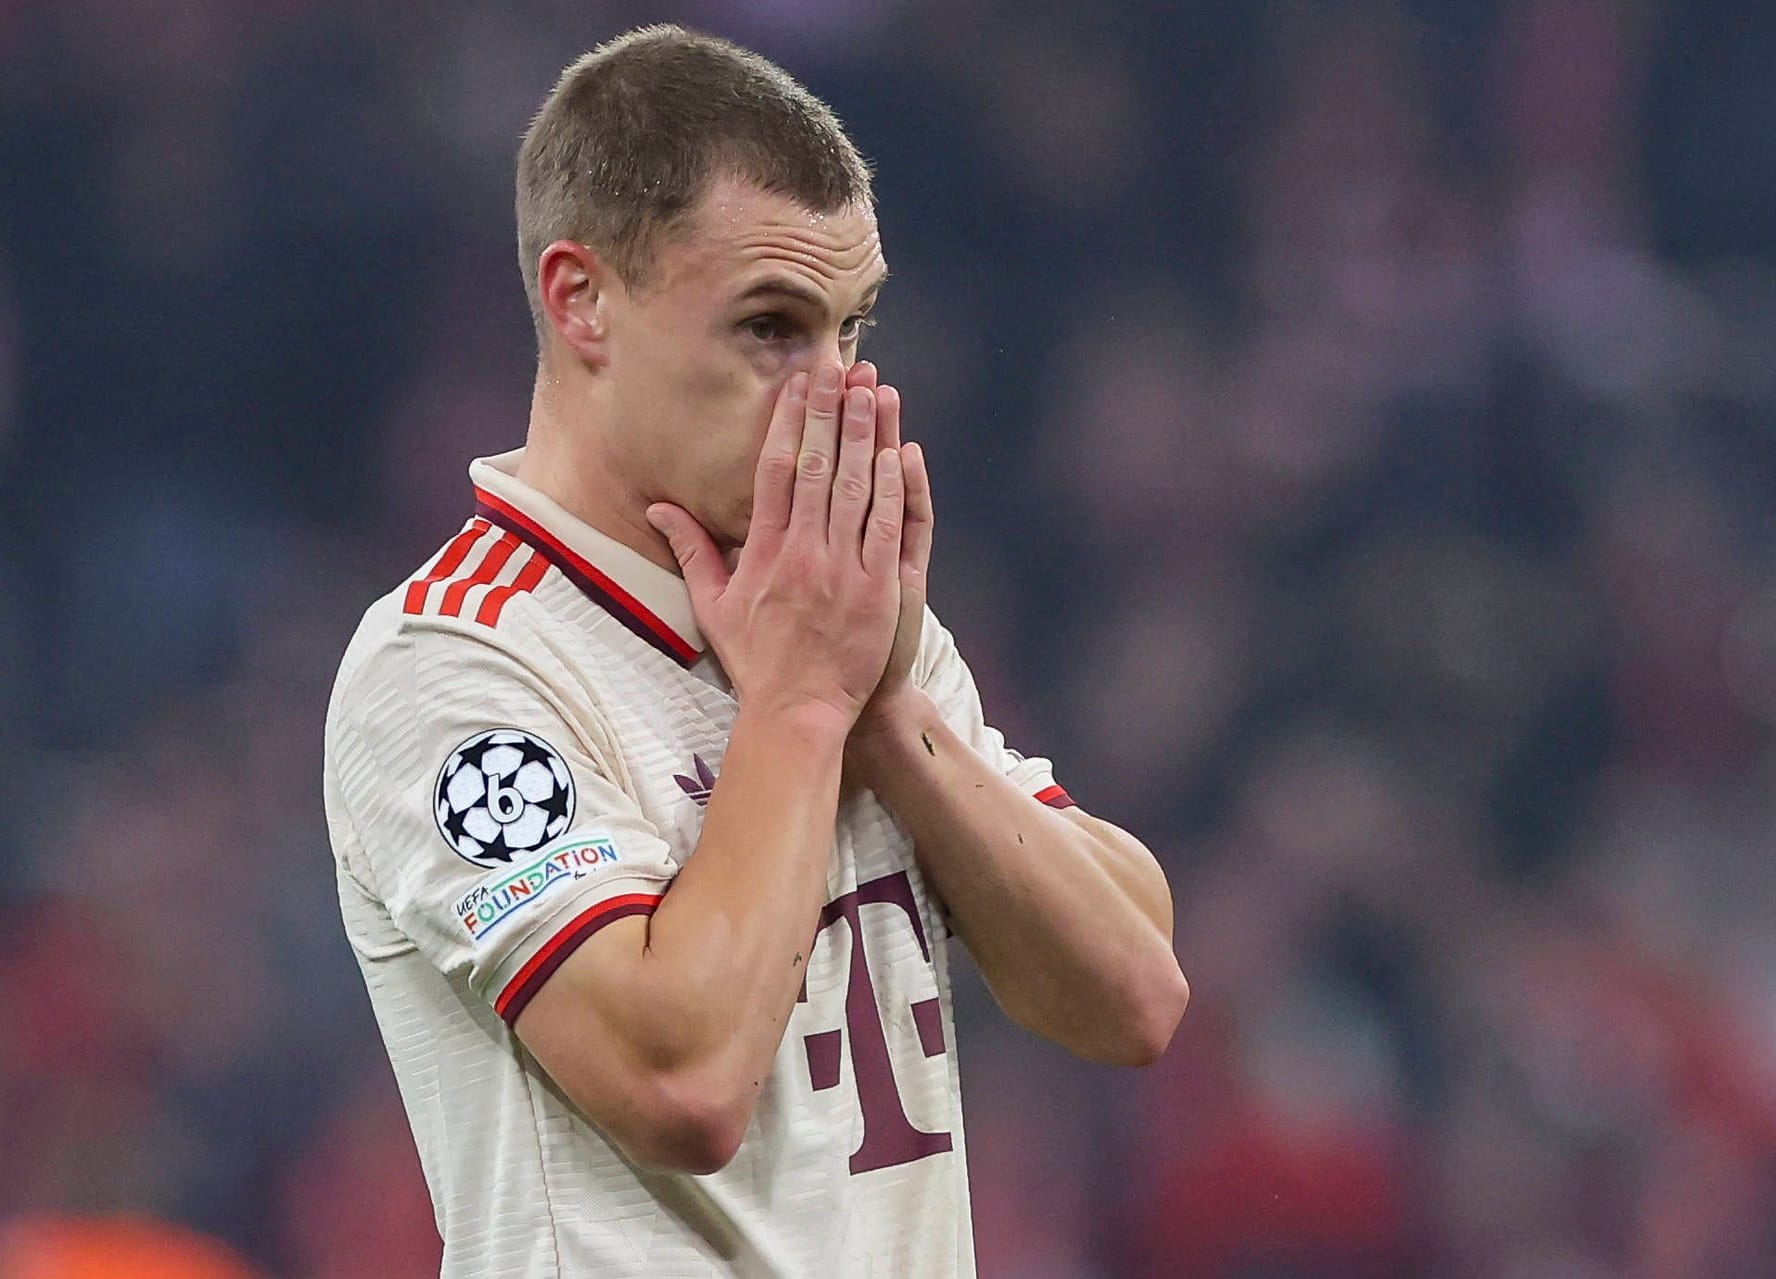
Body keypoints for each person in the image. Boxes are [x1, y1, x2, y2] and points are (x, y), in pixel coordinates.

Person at [321, 24, 1187, 1278]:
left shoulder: (836, 621)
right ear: (582, 301)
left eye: (853, 327)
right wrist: (800, 705)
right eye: (772, 327)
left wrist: (887, 710)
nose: (831, 391)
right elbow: (683, 1084)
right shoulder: (457, 661)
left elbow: (1135, 995)